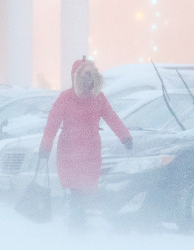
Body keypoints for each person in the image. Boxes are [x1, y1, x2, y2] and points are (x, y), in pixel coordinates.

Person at [38, 58, 133, 228]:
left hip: (89, 152)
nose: (88, 82)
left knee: (86, 190)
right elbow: (52, 124)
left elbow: (112, 118)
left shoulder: (98, 98)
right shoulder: (66, 98)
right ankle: (77, 225)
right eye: (84, 77)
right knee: (76, 190)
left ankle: (78, 223)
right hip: (70, 153)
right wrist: (45, 148)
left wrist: (125, 136)